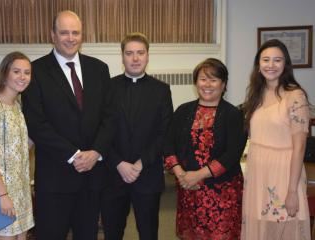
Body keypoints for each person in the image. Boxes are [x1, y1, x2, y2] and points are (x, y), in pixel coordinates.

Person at [21, 10, 115, 240]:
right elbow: (36, 124)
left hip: (92, 177)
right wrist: (74, 155)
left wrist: (95, 152)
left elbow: (110, 117)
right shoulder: (35, 72)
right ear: (52, 35)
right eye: (64, 32)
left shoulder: (99, 69)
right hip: (55, 179)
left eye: (76, 32)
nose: (70, 38)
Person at [163, 58, 247, 240]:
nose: (207, 84)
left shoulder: (234, 115)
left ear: (223, 84)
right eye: (203, 79)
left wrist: (198, 175)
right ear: (196, 82)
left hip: (222, 193)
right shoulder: (183, 111)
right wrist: (180, 174)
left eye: (213, 79)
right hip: (189, 190)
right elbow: (168, 145)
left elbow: (232, 155)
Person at [101, 32, 173, 240]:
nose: (135, 58)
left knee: (149, 233)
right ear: (122, 56)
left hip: (147, 174)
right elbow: (99, 130)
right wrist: (118, 163)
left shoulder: (161, 90)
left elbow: (164, 132)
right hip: (113, 175)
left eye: (140, 53)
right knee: (112, 233)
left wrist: (141, 163)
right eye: (129, 53)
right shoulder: (107, 88)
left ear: (147, 56)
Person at [241, 39, 311, 239]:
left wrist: (291, 192)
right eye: (266, 60)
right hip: (258, 172)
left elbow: (299, 148)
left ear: (285, 64)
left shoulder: (295, 96)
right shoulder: (257, 93)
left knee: (283, 229)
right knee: (262, 229)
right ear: (258, 64)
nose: (271, 65)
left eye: (277, 60)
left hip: (284, 174)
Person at [0, 51, 34, 239]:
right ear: (5, 74)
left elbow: (19, 148)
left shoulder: (17, 107)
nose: (23, 77)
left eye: (27, 72)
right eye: (16, 71)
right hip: (0, 191)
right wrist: (3, 196)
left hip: (20, 189)